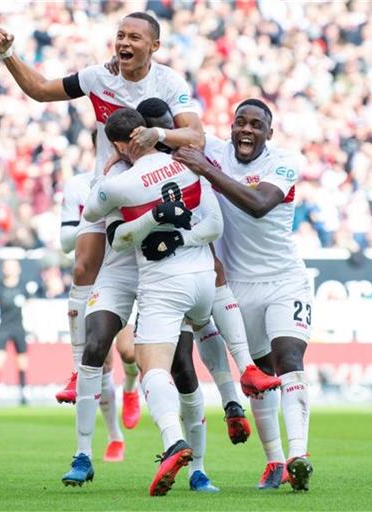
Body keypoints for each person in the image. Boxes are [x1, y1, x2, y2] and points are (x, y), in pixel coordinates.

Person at [0, 12, 204, 411]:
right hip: (111, 196)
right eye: (120, 35)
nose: (124, 42)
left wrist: (159, 134)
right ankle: (77, 369)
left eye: (134, 37)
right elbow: (40, 90)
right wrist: (8, 55)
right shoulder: (97, 77)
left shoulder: (171, 83)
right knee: (84, 267)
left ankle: (231, 385)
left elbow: (196, 136)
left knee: (189, 322)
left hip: (161, 196)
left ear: (153, 46)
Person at [173, 99, 314, 491]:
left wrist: (206, 171)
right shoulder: (214, 150)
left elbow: (258, 204)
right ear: (231, 127)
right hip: (238, 286)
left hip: (285, 280)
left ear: (269, 133)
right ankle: (274, 462)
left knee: (289, 358)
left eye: (256, 125)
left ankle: (298, 454)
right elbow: (165, 126)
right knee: (261, 375)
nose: (247, 130)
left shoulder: (285, 162)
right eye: (240, 123)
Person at [82, 108, 222, 496]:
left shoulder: (122, 183)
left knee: (154, 369)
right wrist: (186, 237)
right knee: (189, 374)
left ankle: (175, 442)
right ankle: (201, 470)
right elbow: (215, 226)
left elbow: (94, 210)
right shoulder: (191, 162)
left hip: (164, 283)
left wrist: (111, 173)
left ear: (119, 144)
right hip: (204, 280)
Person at [133, 98, 281, 444]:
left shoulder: (179, 158)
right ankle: (233, 396)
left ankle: (192, 454)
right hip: (188, 260)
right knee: (196, 336)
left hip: (171, 268)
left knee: (181, 362)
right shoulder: (147, 165)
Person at [58, 170, 136, 461]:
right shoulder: (78, 184)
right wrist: (92, 218)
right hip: (93, 278)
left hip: (126, 271)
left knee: (128, 352)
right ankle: (115, 437)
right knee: (99, 358)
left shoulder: (137, 175)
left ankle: (130, 387)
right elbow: (66, 242)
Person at [0, 259, 32, 406]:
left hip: (19, 327)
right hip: (4, 327)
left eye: (12, 267)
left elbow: (30, 306)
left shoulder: (23, 287)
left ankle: (23, 393)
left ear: (18, 269)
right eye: (6, 267)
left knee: (22, 363)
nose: (9, 270)